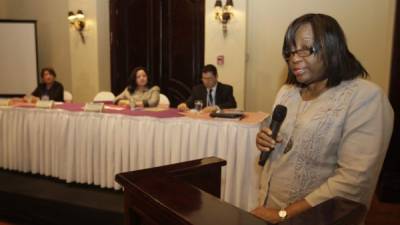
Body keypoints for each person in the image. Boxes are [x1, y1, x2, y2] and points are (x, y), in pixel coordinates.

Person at [252, 13, 393, 224]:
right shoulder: (287, 92)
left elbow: (353, 181)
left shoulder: (365, 97)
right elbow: (283, 142)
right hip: (269, 208)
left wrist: (283, 215)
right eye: (289, 52)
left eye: (305, 49)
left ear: (332, 46)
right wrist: (263, 139)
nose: (294, 58)